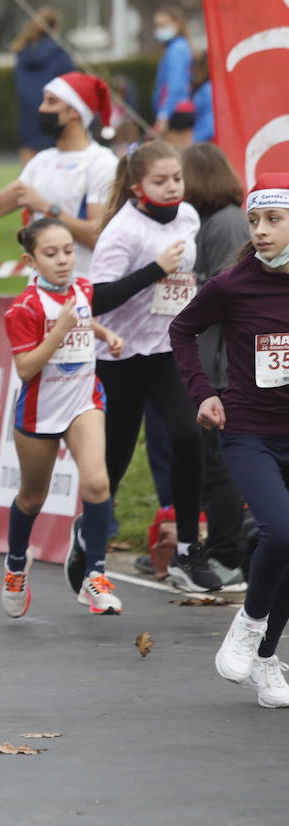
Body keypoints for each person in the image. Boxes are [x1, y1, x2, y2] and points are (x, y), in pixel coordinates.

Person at [169, 173, 289, 707]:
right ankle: (249, 622)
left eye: (274, 220)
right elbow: (181, 330)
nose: (261, 231)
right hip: (248, 431)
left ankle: (266, 659)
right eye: (255, 221)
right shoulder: (232, 283)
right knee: (282, 532)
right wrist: (201, 393)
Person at [86, 139, 219, 592]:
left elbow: (188, 279)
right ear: (138, 186)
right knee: (116, 458)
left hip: (168, 350)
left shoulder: (188, 218)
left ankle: (186, 551)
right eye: (160, 181)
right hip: (121, 356)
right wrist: (156, 270)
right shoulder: (122, 231)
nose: (171, 188)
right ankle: (89, 544)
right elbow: (96, 299)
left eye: (176, 179)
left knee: (188, 435)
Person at [0, 218, 147, 616]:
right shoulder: (24, 309)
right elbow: (26, 368)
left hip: (84, 400)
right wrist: (59, 331)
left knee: (98, 484)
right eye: (51, 254)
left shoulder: (82, 287)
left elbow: (84, 316)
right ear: (31, 260)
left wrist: (103, 335)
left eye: (68, 251)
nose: (63, 260)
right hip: (40, 411)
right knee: (33, 498)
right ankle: (16, 564)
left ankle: (95, 577)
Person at [182, 143, 252, 587]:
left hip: (225, 368)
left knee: (221, 466)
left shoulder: (225, 223)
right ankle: (217, 545)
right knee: (207, 464)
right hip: (209, 362)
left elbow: (231, 296)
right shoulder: (207, 222)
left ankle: (228, 554)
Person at [0, 71, 118, 275]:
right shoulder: (41, 161)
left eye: (51, 102)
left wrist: (47, 208)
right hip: (39, 293)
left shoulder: (102, 163)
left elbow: (98, 237)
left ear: (75, 111)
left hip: (82, 291)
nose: (42, 108)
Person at [10, 7, 74, 164]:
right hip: (56, 121)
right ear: (55, 27)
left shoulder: (21, 54)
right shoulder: (60, 54)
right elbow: (73, 88)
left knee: (29, 177)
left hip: (27, 120)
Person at [152, 7, 193, 135]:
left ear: (178, 24)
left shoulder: (176, 49)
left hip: (176, 110)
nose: (160, 29)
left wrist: (164, 114)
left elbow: (173, 84)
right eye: (157, 25)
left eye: (164, 24)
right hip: (177, 109)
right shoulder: (179, 46)